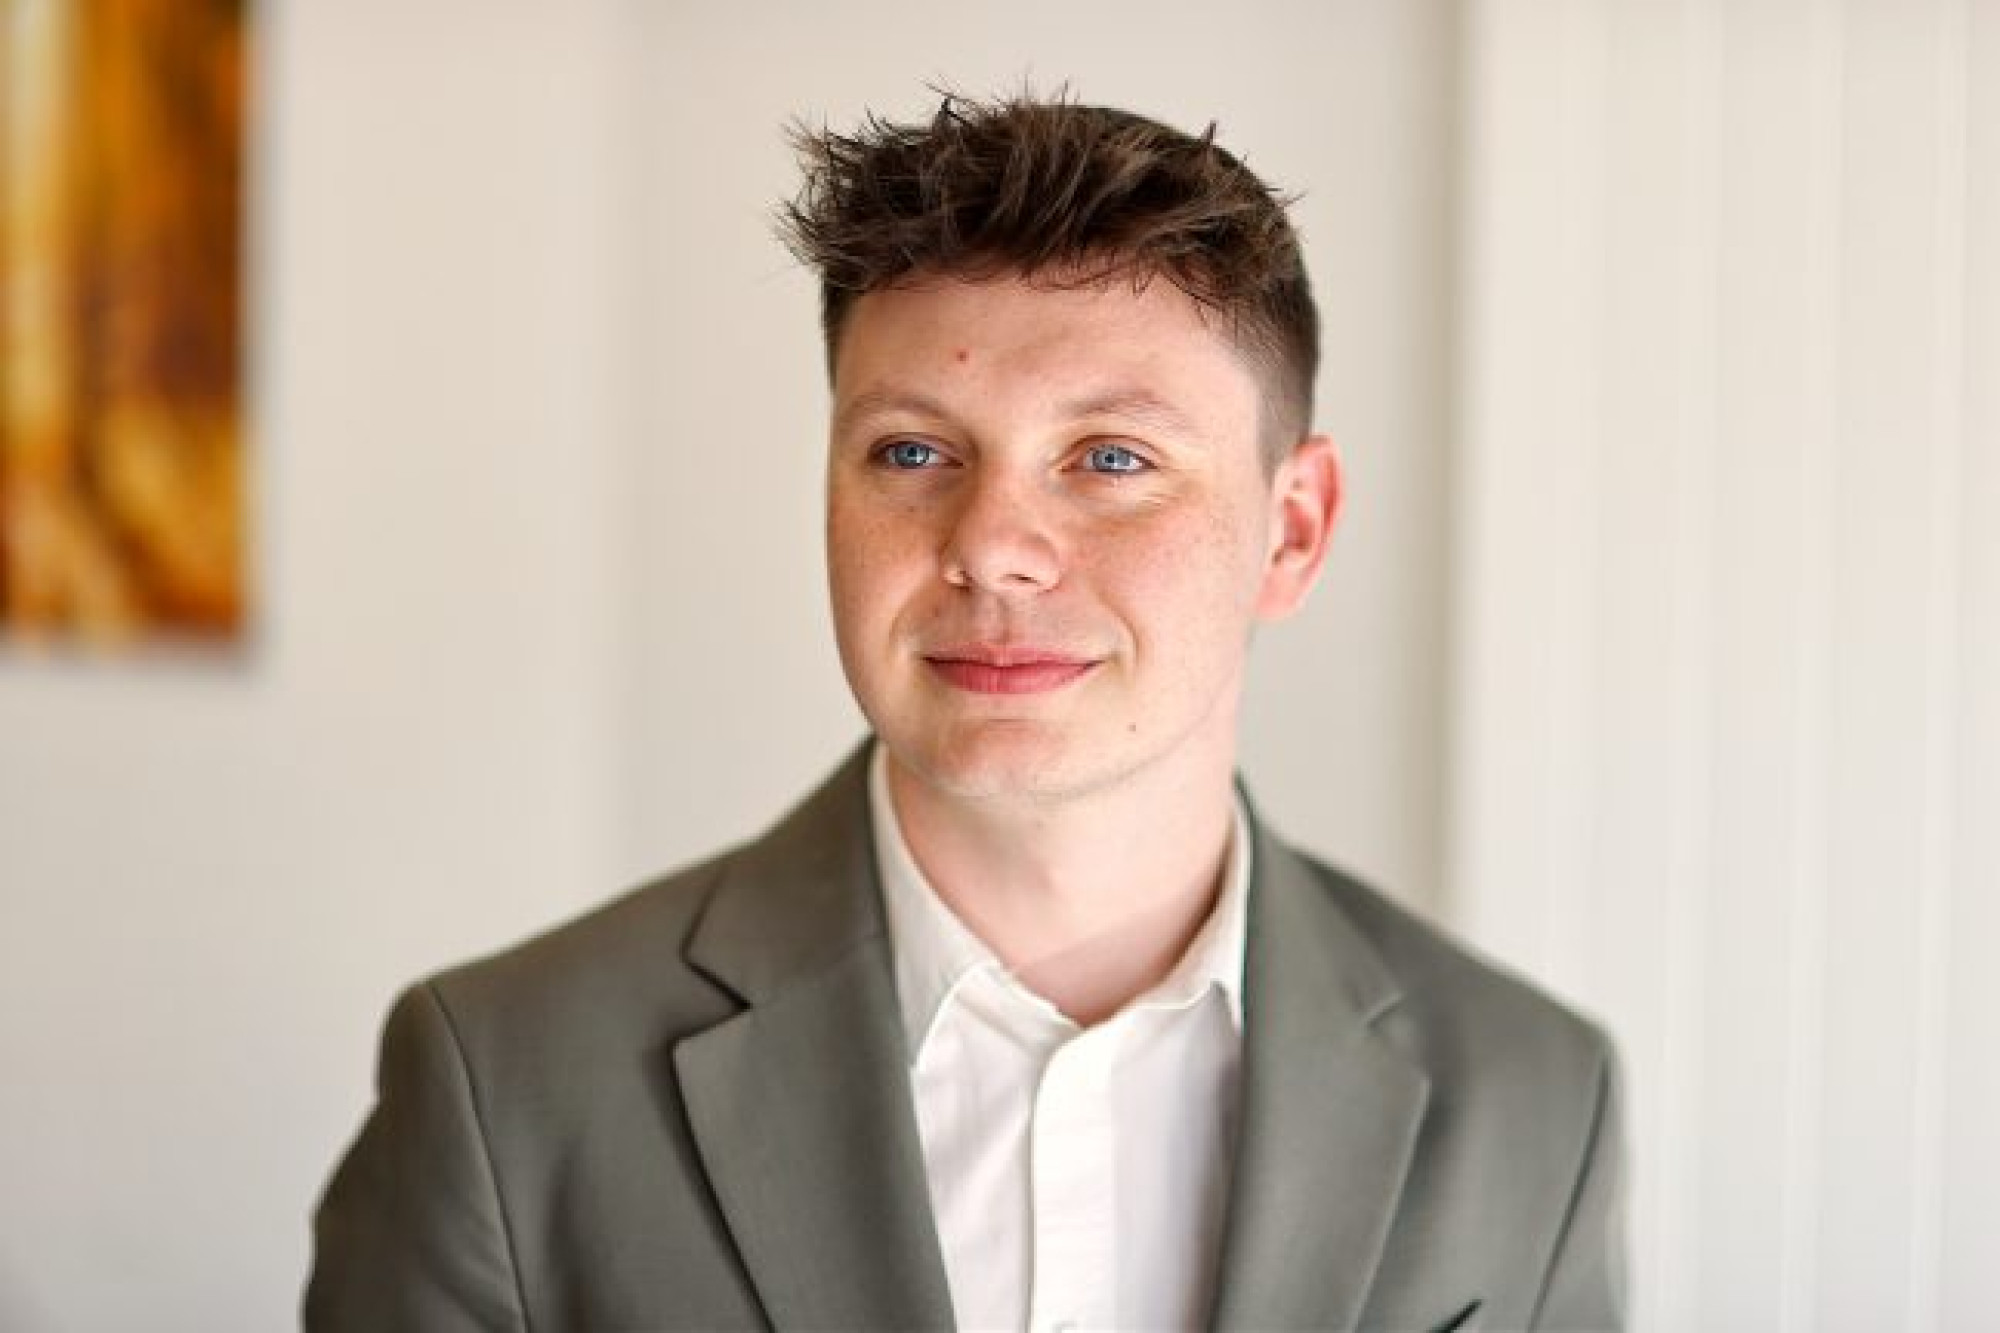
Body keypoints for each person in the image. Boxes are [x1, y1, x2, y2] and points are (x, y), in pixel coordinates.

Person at [306, 92, 1624, 1333]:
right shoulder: (503, 1083)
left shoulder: (1537, 1100)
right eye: (912, 451)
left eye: (1110, 458)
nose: (991, 547)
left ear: (1293, 531)